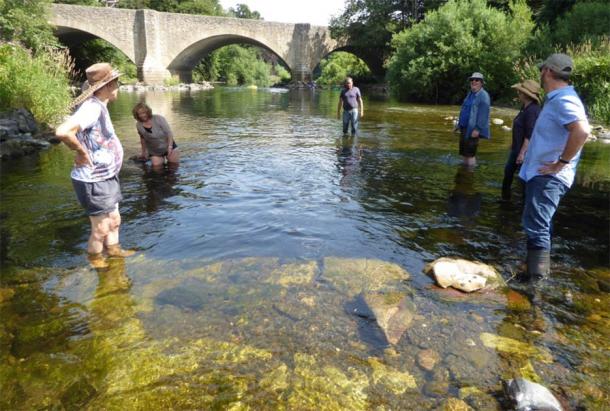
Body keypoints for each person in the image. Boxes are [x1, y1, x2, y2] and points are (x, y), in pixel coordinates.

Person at [55, 63, 134, 268]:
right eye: (116, 82)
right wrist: (80, 152)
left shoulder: (100, 105)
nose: (119, 86)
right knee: (100, 229)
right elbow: (63, 131)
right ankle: (97, 263)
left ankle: (114, 254)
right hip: (93, 179)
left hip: (107, 176)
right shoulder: (91, 108)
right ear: (106, 86)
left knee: (114, 220)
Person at [519, 53, 590, 281]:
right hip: (542, 175)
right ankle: (535, 275)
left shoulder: (563, 99)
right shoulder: (557, 98)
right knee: (539, 224)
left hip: (548, 177)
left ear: (548, 71)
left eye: (542, 70)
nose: (540, 74)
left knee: (537, 226)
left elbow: (581, 131)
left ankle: (535, 284)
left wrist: (561, 163)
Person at [501, 80, 542, 201]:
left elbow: (529, 135)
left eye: (519, 91)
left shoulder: (532, 111)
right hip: (517, 148)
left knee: (521, 179)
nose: (518, 93)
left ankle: (516, 203)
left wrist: (522, 153)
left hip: (524, 152)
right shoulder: (525, 108)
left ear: (525, 94)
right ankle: (506, 200)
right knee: (508, 175)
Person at [456, 72, 490, 167]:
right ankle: (465, 171)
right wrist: (458, 125)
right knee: (464, 153)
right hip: (464, 128)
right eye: (472, 80)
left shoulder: (484, 96)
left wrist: (477, 129)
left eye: (477, 80)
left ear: (482, 83)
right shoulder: (470, 94)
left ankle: (470, 174)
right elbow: (464, 110)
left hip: (472, 129)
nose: (474, 81)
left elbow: (484, 115)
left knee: (470, 154)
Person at [132, 102, 179, 168]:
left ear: (148, 112)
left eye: (144, 113)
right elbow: (142, 138)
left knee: (173, 168)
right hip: (154, 151)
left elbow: (169, 133)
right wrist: (143, 152)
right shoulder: (138, 125)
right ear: (136, 115)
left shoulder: (159, 118)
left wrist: (170, 147)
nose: (142, 115)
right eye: (139, 114)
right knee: (157, 169)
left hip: (168, 146)